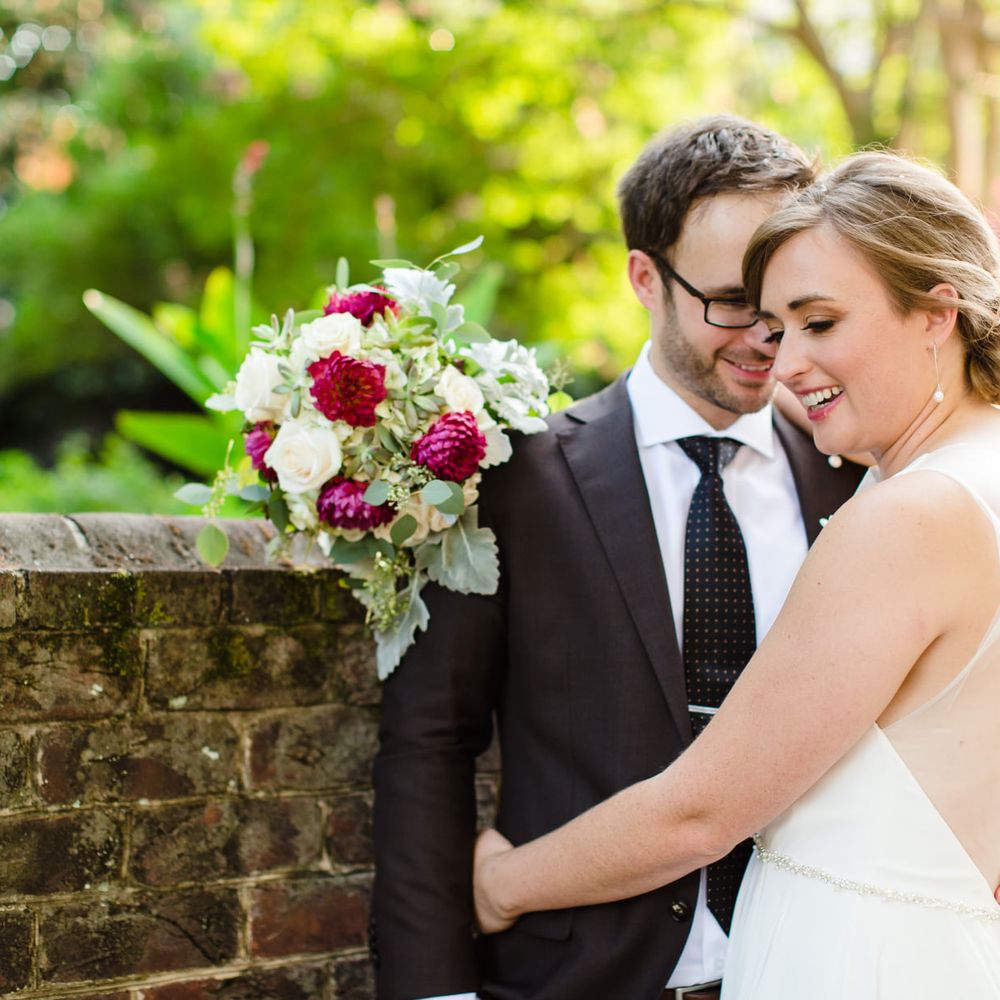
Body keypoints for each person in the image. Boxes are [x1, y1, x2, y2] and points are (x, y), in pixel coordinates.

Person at [473, 151, 1000, 997]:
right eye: (776, 327)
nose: (785, 363)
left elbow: (700, 811)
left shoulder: (904, 518)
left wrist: (502, 883)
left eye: (819, 323)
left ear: (938, 312)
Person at [370, 115, 863, 1000]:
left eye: (789, 302)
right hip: (572, 975)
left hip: (810, 967)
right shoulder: (513, 475)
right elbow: (428, 744)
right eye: (730, 302)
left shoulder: (855, 474)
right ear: (645, 277)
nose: (766, 337)